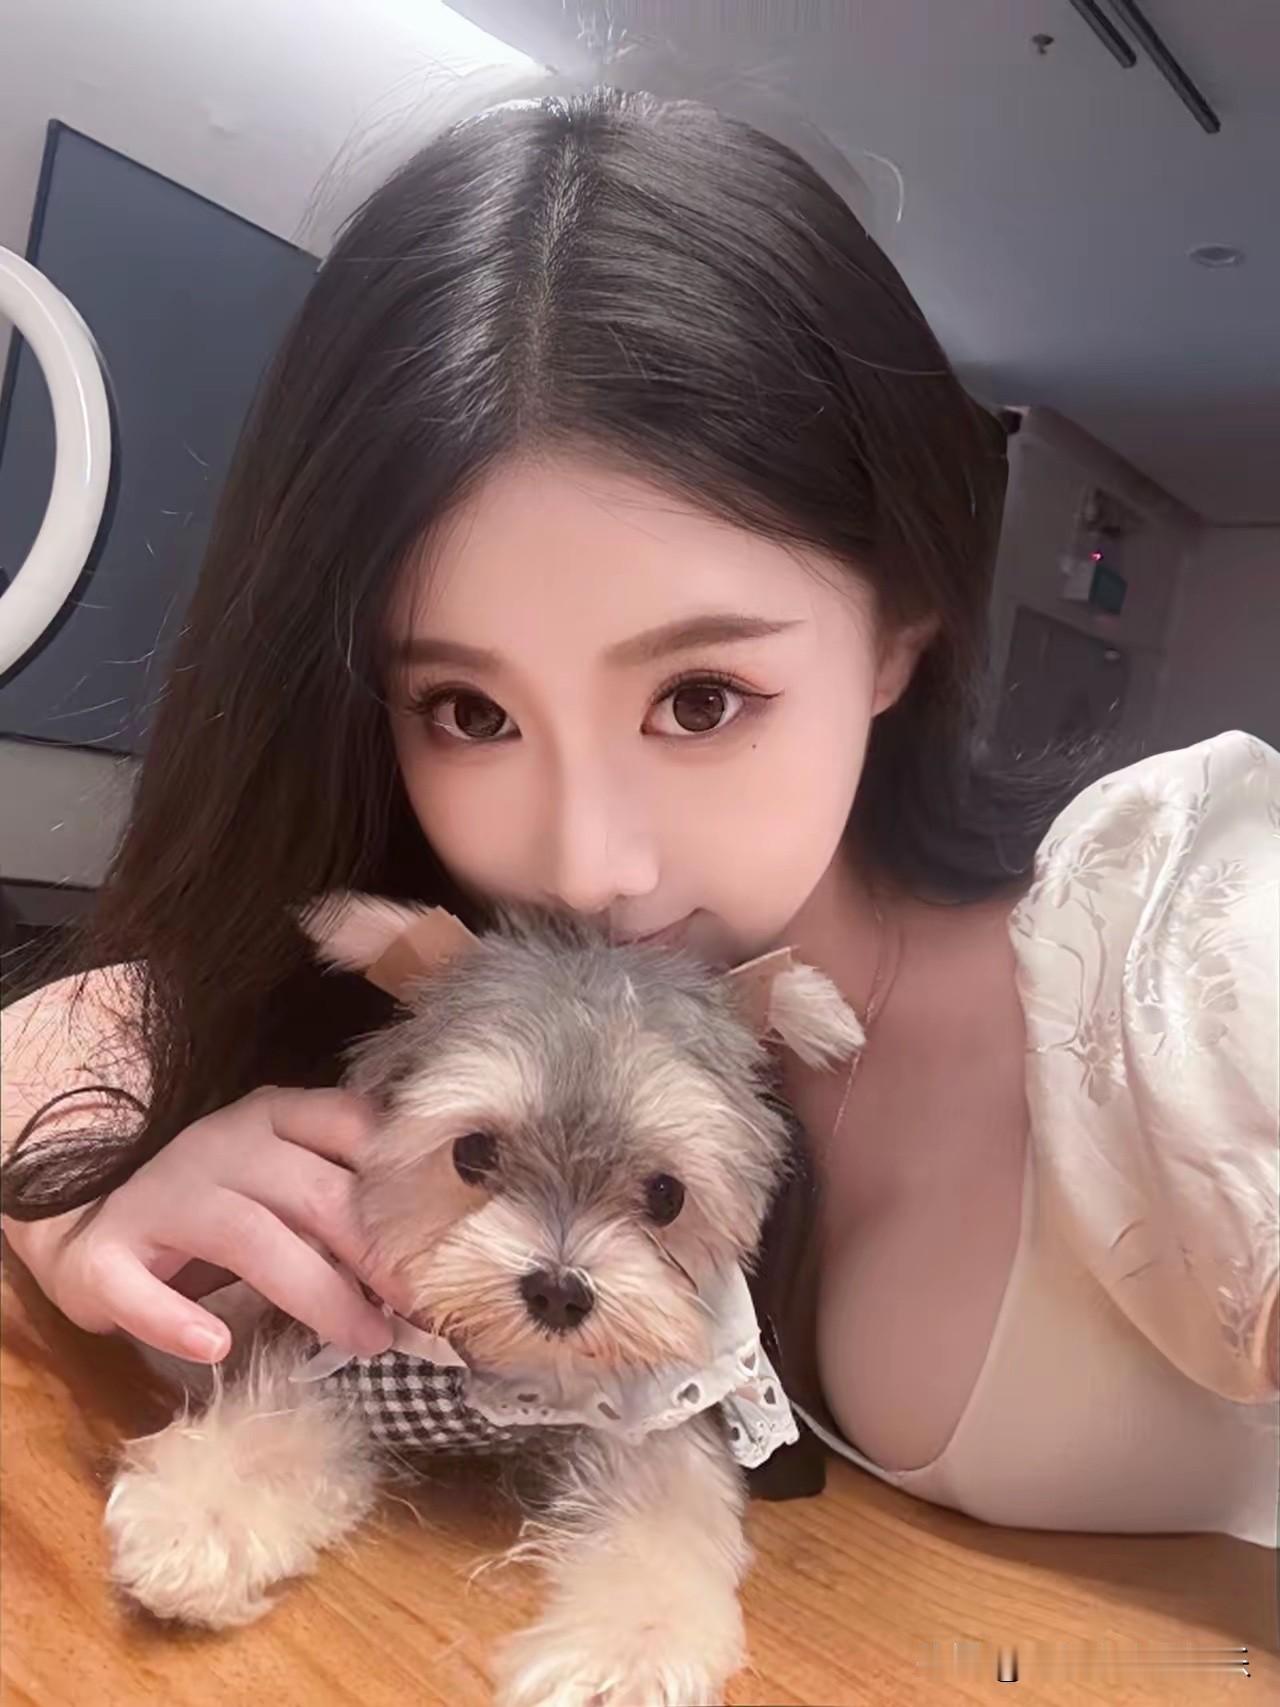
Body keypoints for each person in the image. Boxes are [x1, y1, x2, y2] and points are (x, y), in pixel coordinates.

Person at [2, 89, 1275, 1548]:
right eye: (467, 711)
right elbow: (78, 1022)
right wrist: (82, 1204)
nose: (585, 864)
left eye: (701, 698)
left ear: (897, 632)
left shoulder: (1181, 957)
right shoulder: (460, 978)